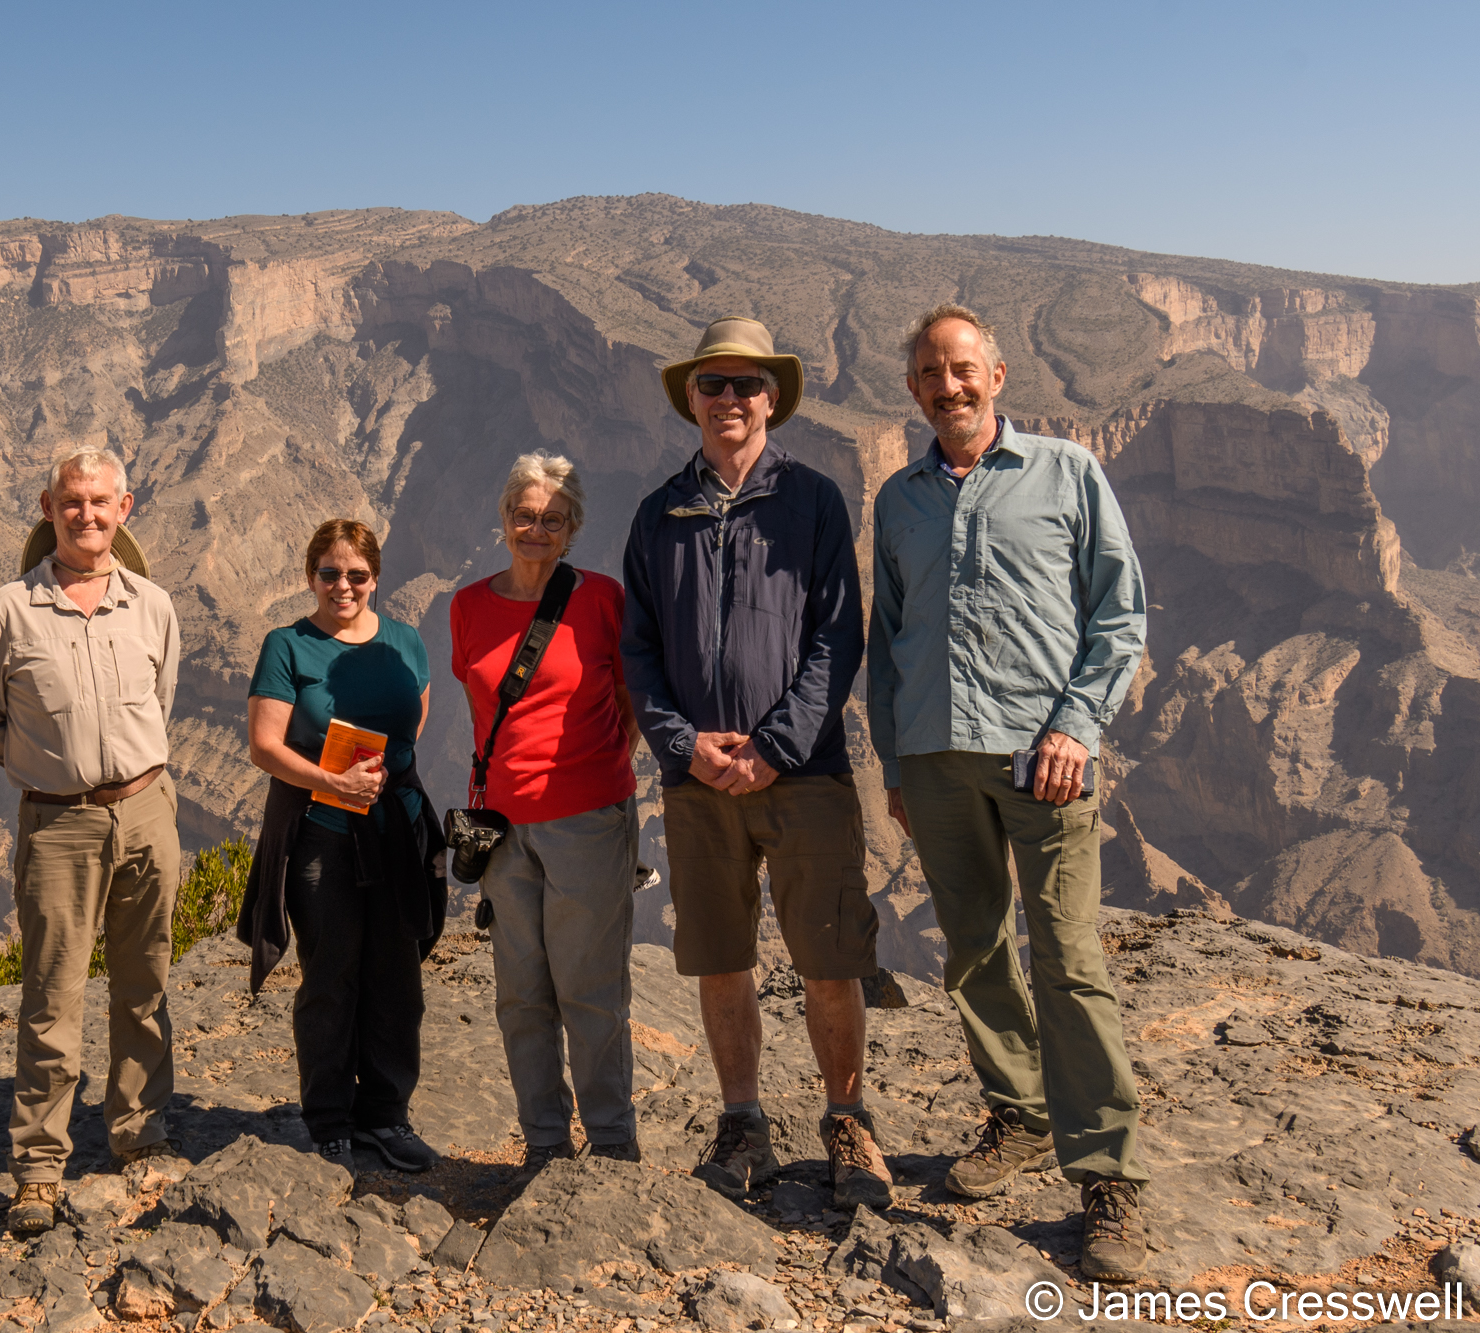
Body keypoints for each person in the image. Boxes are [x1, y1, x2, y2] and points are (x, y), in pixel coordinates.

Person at [869, 303, 1151, 1281]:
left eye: (962, 369)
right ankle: (1018, 1114)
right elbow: (886, 640)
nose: (947, 387)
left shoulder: (1066, 472)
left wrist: (1078, 724)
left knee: (1068, 958)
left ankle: (1107, 1172)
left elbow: (1120, 613)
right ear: (912, 390)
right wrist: (895, 766)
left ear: (996, 375)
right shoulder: (897, 498)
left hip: (1047, 760)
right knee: (976, 951)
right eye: (929, 374)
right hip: (936, 760)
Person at [621, 317, 889, 1207]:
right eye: (712, 384)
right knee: (720, 956)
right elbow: (639, 648)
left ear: (772, 397)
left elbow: (836, 634)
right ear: (690, 398)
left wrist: (774, 746)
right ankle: (742, 1121)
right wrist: (681, 744)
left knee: (828, 955)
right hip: (696, 781)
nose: (728, 399)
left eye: (745, 384)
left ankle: (846, 1119)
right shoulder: (658, 513)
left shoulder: (812, 499)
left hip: (802, 773)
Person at [0, 447, 183, 1235]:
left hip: (146, 807)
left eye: (100, 501)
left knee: (144, 980)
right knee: (52, 995)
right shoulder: (9, 610)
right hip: (57, 821)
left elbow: (161, 701)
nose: (86, 514)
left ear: (126, 507)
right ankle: (38, 1165)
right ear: (47, 508)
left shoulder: (153, 604)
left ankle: (138, 1131)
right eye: (71, 501)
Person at [235, 519, 447, 1178]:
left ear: (374, 577)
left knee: (397, 976)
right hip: (323, 836)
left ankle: (385, 1115)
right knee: (331, 974)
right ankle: (329, 1117)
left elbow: (415, 719)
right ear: (310, 576)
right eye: (329, 572)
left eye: (356, 574)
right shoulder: (287, 646)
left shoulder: (405, 640)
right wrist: (333, 780)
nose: (343, 586)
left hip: (395, 833)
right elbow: (263, 744)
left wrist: (381, 780)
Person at [450, 453, 641, 1174]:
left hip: (586, 817)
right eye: (523, 515)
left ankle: (611, 1140)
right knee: (521, 990)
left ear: (572, 529)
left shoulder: (601, 599)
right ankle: (543, 1141)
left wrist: (594, 781)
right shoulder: (466, 605)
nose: (535, 528)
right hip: (501, 826)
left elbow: (627, 706)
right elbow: (479, 708)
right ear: (503, 519)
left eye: (551, 519)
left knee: (589, 986)